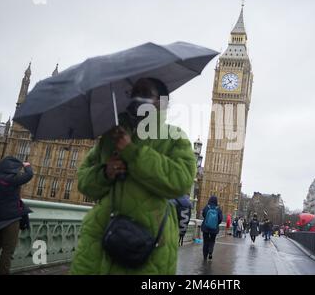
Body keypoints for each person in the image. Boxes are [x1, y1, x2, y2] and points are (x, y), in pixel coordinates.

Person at [70, 77, 197, 274]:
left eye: (145, 93)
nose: (137, 98)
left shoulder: (174, 138)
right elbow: (84, 183)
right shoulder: (111, 136)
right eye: (134, 92)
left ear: (161, 102)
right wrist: (105, 172)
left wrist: (132, 152)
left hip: (147, 243)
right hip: (100, 239)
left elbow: (180, 181)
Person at [201, 196, 223, 261]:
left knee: (205, 242)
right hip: (214, 229)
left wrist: (207, 221)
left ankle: (205, 256)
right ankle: (210, 252)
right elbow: (220, 219)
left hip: (205, 227)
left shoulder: (207, 207)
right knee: (212, 241)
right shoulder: (218, 209)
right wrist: (216, 223)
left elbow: (203, 214)